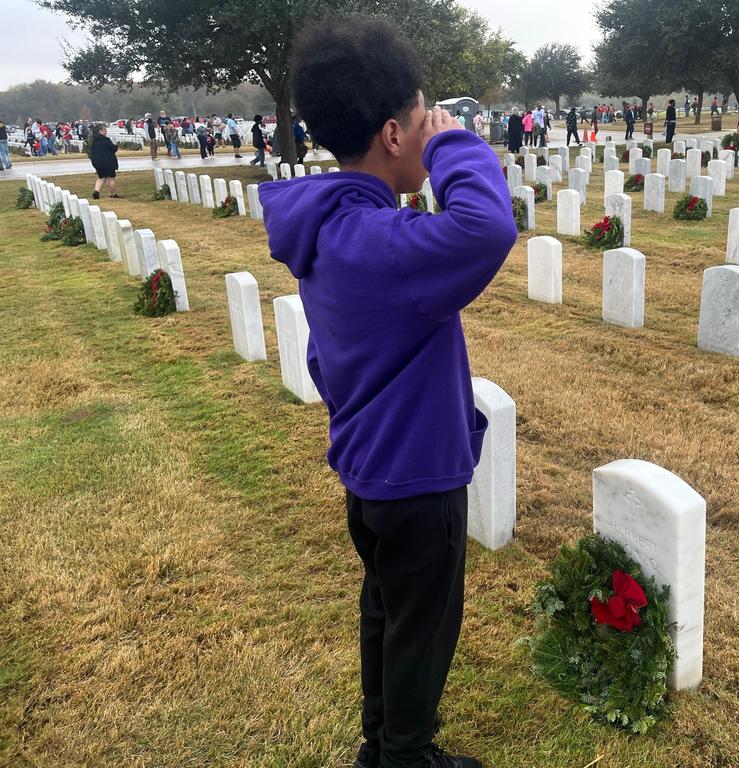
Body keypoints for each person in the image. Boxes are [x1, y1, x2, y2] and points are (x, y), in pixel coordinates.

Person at [262, 16, 517, 768]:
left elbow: (326, 350)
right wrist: (454, 144)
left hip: (368, 466)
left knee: (386, 610)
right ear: (395, 135)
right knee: (422, 628)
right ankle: (407, 756)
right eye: (420, 115)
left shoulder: (334, 227)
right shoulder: (384, 245)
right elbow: (484, 230)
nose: (427, 124)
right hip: (417, 475)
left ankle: (381, 747)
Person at [88, 123, 119, 199]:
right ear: (100, 131)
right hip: (108, 162)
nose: (106, 131)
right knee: (111, 178)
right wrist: (116, 145)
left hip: (97, 162)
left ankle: (96, 191)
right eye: (105, 129)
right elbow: (113, 149)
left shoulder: (93, 141)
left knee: (101, 177)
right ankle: (113, 194)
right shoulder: (106, 140)